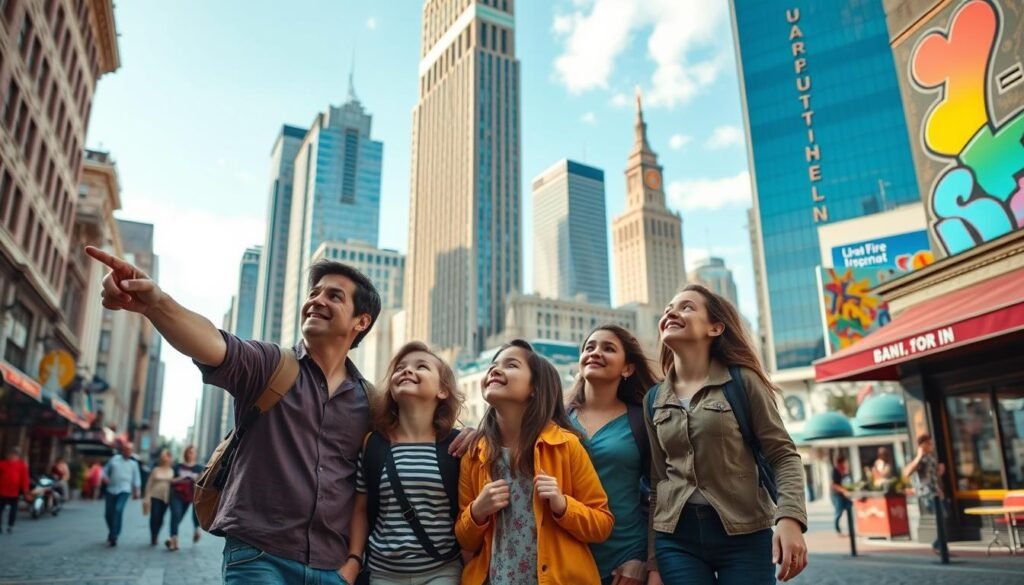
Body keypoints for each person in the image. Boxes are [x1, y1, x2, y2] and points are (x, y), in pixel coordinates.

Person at [86, 246, 472, 583]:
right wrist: (156, 302)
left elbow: (417, 430)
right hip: (258, 557)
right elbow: (211, 341)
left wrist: (472, 435)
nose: (317, 300)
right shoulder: (270, 365)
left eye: (334, 296)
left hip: (332, 567)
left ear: (361, 322)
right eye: (314, 292)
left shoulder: (369, 401)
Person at [646, 285, 808, 584]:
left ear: (715, 327)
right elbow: (659, 480)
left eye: (686, 307)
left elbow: (783, 455)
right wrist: (653, 561)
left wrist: (790, 518)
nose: (671, 312)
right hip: (677, 540)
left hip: (745, 535)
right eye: (669, 307)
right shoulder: (653, 398)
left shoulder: (742, 381)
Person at [456, 339, 614, 585]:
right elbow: (465, 540)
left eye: (511, 365)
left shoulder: (565, 445)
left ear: (534, 388)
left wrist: (562, 505)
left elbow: (602, 525)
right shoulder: (475, 454)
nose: (494, 370)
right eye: (492, 365)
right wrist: (478, 511)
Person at [350, 341, 466, 584]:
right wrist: (354, 558)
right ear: (392, 389)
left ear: (442, 391)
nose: (407, 370)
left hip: (442, 571)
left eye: (421, 366)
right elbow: (360, 509)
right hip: (383, 574)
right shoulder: (373, 444)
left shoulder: (456, 445)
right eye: (400, 367)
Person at [566, 325, 660, 585]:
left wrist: (645, 560)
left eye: (608, 349)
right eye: (589, 347)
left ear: (627, 368)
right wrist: (473, 434)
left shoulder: (642, 420)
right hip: (565, 560)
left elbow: (660, 493)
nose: (596, 353)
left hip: (624, 563)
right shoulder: (556, 419)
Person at [903, 434, 946, 553]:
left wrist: (939, 472)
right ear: (922, 445)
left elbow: (932, 477)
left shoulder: (931, 457)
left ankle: (940, 546)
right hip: (927, 493)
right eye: (929, 443)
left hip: (935, 491)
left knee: (942, 517)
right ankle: (939, 546)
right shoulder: (919, 458)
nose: (931, 446)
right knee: (941, 517)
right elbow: (907, 473)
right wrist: (919, 456)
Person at [102, 441, 141, 546]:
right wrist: (105, 478)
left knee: (118, 509)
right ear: (122, 450)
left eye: (130, 450)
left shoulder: (134, 464)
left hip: (124, 490)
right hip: (111, 489)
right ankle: (112, 531)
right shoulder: (114, 459)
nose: (127, 452)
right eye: (126, 449)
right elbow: (104, 470)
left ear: (132, 451)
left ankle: (114, 535)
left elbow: (136, 479)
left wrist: (137, 491)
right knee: (108, 514)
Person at [169, 445, 203, 550]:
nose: (191, 454)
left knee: (195, 515)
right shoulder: (177, 466)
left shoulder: (199, 468)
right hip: (178, 495)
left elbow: (203, 483)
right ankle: (174, 540)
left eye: (193, 452)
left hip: (193, 495)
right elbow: (171, 480)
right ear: (185, 453)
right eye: (189, 452)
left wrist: (197, 479)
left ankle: (197, 530)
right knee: (176, 515)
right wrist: (182, 477)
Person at [143, 449, 174, 547]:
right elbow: (149, 483)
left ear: (169, 458)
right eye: (162, 456)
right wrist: (147, 496)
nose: (164, 458)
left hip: (166, 497)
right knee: (154, 516)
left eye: (166, 456)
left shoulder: (172, 471)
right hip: (155, 496)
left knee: (161, 517)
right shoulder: (156, 470)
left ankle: (156, 533)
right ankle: (154, 535)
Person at [0, 447, 30, 533]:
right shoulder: (2, 464)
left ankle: (10, 526)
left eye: (15, 454)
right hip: (2, 491)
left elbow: (24, 479)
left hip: (14, 492)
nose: (12, 456)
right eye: (11, 454)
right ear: (7, 455)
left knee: (13, 510)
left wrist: (25, 491)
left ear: (18, 456)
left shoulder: (21, 465)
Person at [831, 455, 852, 535]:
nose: (846, 463)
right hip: (837, 495)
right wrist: (843, 490)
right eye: (845, 462)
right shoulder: (835, 470)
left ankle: (851, 530)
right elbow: (834, 484)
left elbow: (847, 481)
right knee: (839, 512)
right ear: (841, 462)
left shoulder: (845, 470)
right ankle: (837, 529)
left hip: (846, 495)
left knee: (849, 509)